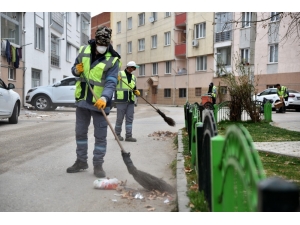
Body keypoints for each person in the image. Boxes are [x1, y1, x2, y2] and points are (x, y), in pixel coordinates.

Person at [66, 25, 121, 178]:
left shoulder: (113, 59)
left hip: (99, 103)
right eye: (100, 44)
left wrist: (105, 97)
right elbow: (74, 69)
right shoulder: (84, 51)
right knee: (80, 132)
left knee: (100, 135)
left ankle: (98, 165)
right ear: (95, 41)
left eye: (105, 45)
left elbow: (111, 82)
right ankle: (81, 161)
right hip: (83, 99)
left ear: (108, 43)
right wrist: (76, 70)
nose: (101, 47)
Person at [114, 61, 140, 142]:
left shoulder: (133, 77)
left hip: (130, 101)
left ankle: (128, 136)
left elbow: (134, 88)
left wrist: (136, 91)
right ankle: (117, 135)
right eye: (133, 68)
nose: (134, 69)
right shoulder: (119, 74)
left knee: (129, 119)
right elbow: (112, 83)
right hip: (121, 100)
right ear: (128, 67)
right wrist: (116, 79)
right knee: (119, 119)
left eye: (135, 68)